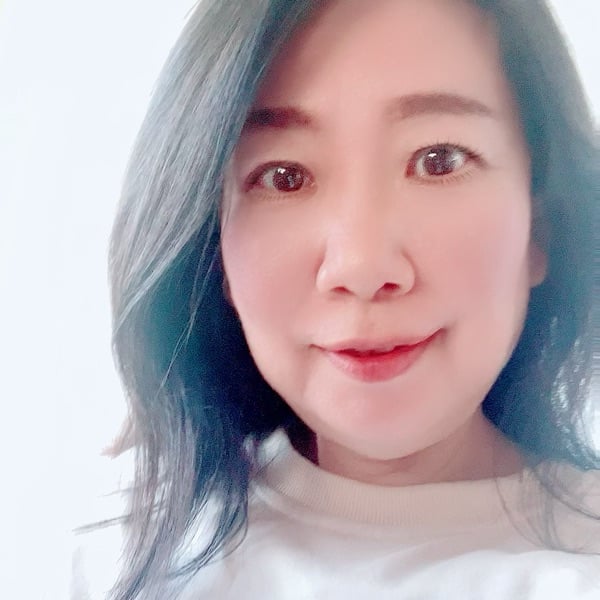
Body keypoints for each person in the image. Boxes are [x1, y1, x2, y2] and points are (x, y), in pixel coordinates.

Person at [73, 0, 600, 598]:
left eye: (438, 161)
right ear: (215, 251)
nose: (363, 267)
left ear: (541, 227)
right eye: (284, 176)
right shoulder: (128, 562)